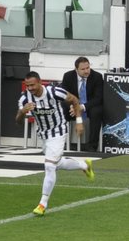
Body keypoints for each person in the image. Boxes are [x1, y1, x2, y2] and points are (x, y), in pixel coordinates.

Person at [16, 71, 94, 215]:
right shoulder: (24, 98)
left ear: (40, 82)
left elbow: (75, 100)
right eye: (28, 86)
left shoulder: (54, 91)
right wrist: (22, 112)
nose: (30, 88)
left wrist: (78, 121)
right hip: (44, 134)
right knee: (57, 163)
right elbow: (18, 121)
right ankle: (84, 165)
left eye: (32, 85)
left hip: (58, 130)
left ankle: (42, 204)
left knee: (50, 166)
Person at [60, 58, 105, 151]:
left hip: (88, 107)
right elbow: (64, 95)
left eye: (88, 68)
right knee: (62, 108)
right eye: (83, 69)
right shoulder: (68, 76)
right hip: (73, 107)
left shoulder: (97, 76)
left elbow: (98, 98)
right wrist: (73, 107)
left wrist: (82, 107)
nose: (86, 71)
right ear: (76, 69)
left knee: (97, 111)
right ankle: (61, 143)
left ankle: (92, 146)